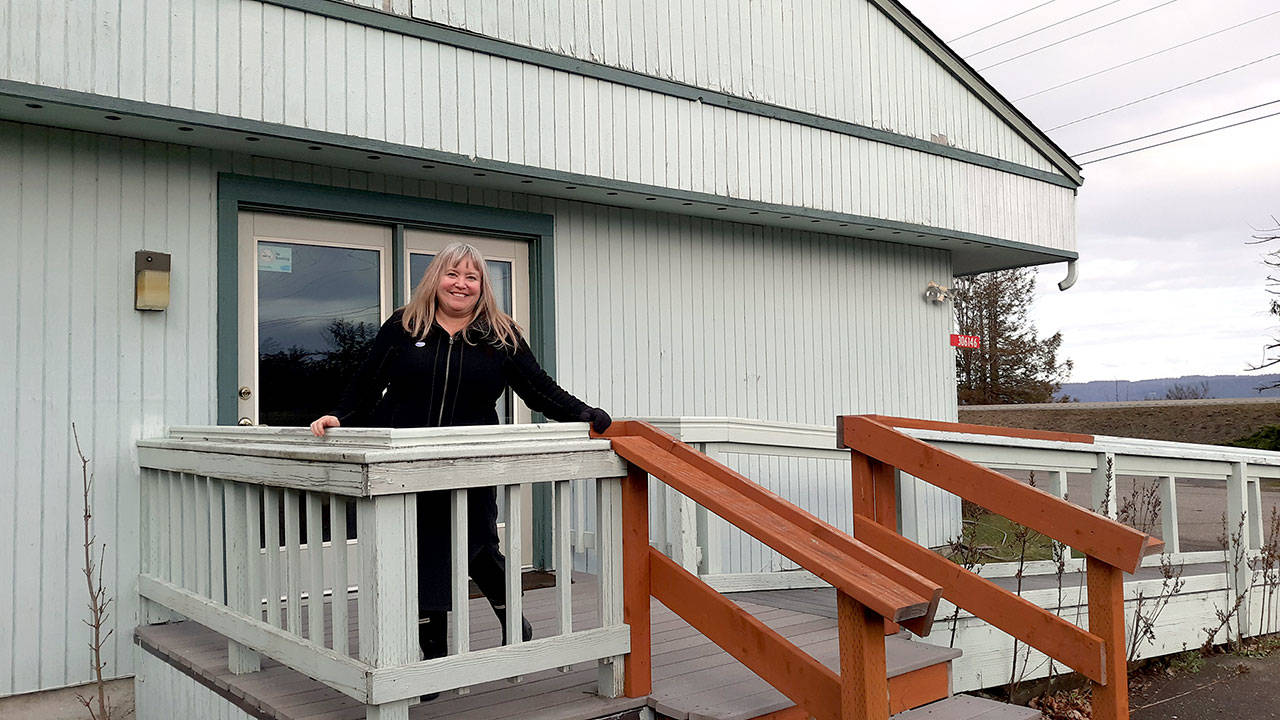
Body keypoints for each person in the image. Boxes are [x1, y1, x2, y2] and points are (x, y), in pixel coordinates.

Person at [309, 241, 611, 675]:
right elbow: (367, 382)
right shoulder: (405, 325)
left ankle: (513, 623)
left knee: (479, 548)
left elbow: (539, 389)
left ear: (482, 285)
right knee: (425, 554)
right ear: (436, 278)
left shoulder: (501, 335)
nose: (461, 284)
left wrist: (583, 413)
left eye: (471, 277)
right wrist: (340, 415)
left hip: (471, 460)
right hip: (409, 462)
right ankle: (432, 656)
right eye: (453, 274)